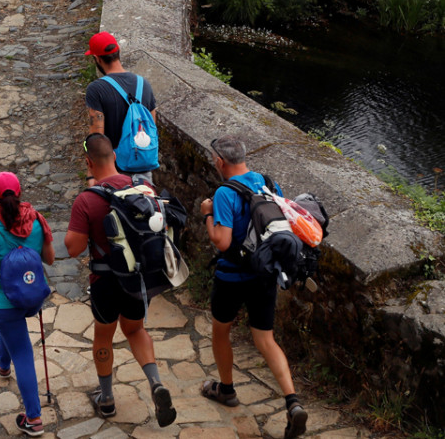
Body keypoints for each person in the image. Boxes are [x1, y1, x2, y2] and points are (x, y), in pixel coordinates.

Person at [64, 133, 177, 427]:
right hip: (137, 278)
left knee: (104, 335)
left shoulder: (87, 200)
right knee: (136, 330)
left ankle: (107, 399)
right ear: (114, 155)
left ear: (88, 162)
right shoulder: (142, 188)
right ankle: (155, 384)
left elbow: (73, 248)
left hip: (104, 280)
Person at [200, 135, 308, 439]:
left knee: (221, 331)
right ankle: (293, 402)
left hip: (232, 277)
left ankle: (227, 390)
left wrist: (207, 214)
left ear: (220, 161)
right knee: (265, 338)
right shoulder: (267, 183)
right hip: (264, 275)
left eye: (213, 159)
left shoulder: (224, 192)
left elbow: (221, 241)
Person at [0, 171, 55, 437]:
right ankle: (3, 364)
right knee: (11, 331)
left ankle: (33, 419)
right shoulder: (37, 220)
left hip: (2, 302)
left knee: (23, 350)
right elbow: (50, 259)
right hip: (31, 299)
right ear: (19, 193)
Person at [84, 31, 159, 185]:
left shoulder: (96, 89)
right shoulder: (144, 84)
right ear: (118, 52)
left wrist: (91, 176)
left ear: (97, 58)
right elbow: (152, 127)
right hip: (143, 168)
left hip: (113, 172)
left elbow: (97, 137)